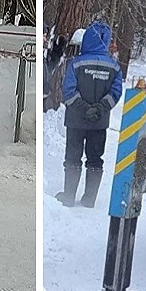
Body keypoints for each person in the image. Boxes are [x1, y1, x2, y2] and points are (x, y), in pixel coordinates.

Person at [57, 20, 123, 208]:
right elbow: (115, 92)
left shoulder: (76, 63)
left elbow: (68, 90)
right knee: (95, 159)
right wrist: (99, 108)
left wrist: (83, 108)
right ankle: (89, 200)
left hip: (75, 121)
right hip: (99, 123)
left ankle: (69, 196)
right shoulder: (114, 67)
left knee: (73, 157)